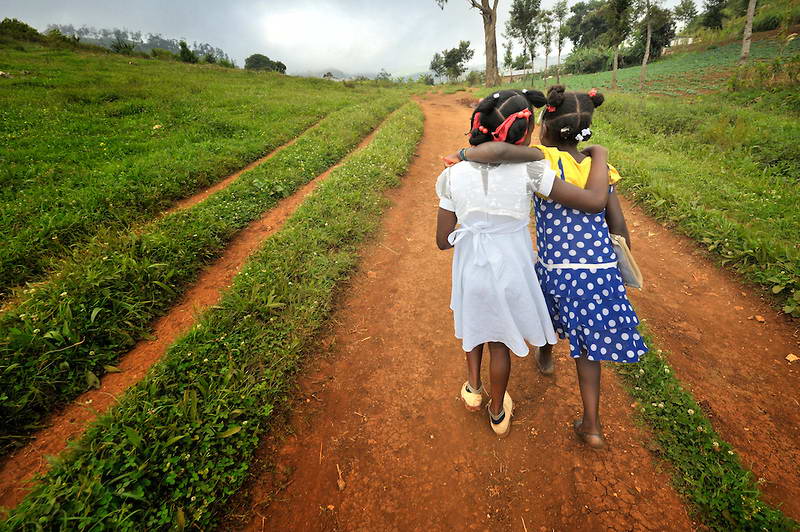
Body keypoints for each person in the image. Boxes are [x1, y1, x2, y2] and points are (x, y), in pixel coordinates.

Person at [451, 85, 648, 448]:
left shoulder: (538, 159)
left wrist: (464, 153)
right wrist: (601, 156)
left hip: (556, 265)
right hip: (598, 269)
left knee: (548, 311)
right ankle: (591, 425)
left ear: (543, 125)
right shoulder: (599, 169)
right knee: (588, 350)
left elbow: (495, 152)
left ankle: (544, 355)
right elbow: (616, 221)